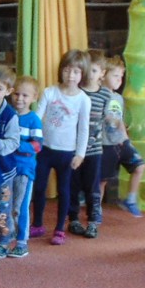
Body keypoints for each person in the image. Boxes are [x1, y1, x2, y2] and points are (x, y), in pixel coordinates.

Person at [30, 49, 92, 245]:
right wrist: (31, 139)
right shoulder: (50, 92)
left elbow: (84, 128)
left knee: (64, 191)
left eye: (76, 72)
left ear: (82, 74)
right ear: (61, 71)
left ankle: (59, 229)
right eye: (67, 70)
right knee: (39, 187)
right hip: (45, 150)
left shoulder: (83, 99)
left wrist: (80, 154)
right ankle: (37, 223)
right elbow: (37, 117)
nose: (70, 75)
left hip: (67, 153)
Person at [0, 75, 43, 262]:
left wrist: (17, 144)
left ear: (34, 97)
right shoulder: (6, 114)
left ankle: (21, 241)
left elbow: (38, 145)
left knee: (19, 207)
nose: (20, 99)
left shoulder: (33, 119)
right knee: (4, 206)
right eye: (17, 94)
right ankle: (6, 235)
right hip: (5, 168)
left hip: (24, 171)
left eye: (25, 95)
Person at [100, 55, 145, 218]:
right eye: (115, 75)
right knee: (102, 180)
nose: (119, 80)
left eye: (121, 76)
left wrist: (127, 140)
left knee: (139, 166)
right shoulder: (98, 96)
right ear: (103, 75)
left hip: (120, 142)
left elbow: (120, 121)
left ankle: (130, 200)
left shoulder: (118, 98)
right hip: (104, 144)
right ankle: (95, 210)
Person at [70, 50, 110, 237]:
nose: (89, 75)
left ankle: (93, 221)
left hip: (94, 150)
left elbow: (102, 120)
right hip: (73, 149)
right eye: (87, 70)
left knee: (92, 186)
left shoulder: (105, 95)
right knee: (73, 184)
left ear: (102, 73)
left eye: (94, 71)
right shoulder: (77, 92)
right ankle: (73, 219)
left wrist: (90, 141)